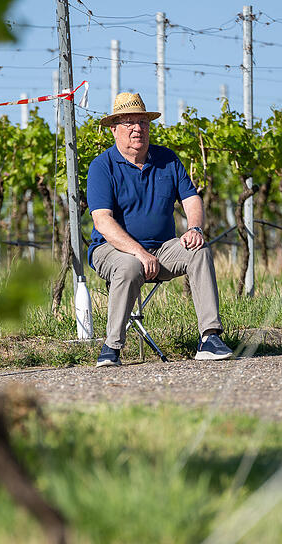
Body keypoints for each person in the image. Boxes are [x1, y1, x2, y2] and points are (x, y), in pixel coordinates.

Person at [87, 92, 232, 367]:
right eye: (128, 122)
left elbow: (191, 198)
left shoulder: (167, 159)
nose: (137, 129)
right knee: (129, 266)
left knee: (198, 250)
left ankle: (209, 337)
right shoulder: (101, 167)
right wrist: (140, 254)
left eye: (142, 122)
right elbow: (103, 221)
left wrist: (195, 229)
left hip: (163, 248)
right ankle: (111, 346)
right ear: (114, 129)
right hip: (112, 250)